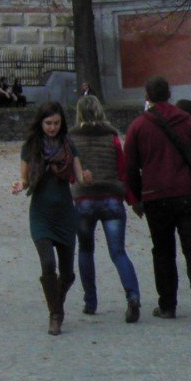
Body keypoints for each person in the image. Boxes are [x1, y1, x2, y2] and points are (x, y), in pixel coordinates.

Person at [123, 74, 191, 325]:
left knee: (163, 251)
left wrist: (134, 199)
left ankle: (167, 304)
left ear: (147, 95)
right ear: (169, 94)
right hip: (190, 193)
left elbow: (130, 167)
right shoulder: (187, 120)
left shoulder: (139, 126)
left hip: (157, 196)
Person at [69, 95, 141, 323]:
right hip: (111, 197)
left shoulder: (72, 139)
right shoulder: (112, 136)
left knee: (85, 250)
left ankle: (90, 301)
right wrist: (130, 197)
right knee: (118, 251)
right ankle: (132, 295)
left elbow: (70, 172)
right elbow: (123, 169)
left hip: (84, 198)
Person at [14, 101, 81, 335]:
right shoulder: (31, 147)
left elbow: (80, 176)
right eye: (48, 123)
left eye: (56, 123)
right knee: (48, 264)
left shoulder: (68, 144)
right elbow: (24, 178)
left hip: (64, 213)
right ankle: (56, 314)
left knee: (69, 273)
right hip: (41, 213)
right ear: (40, 123)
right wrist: (19, 184)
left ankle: (56, 302)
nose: (52, 127)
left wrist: (87, 178)